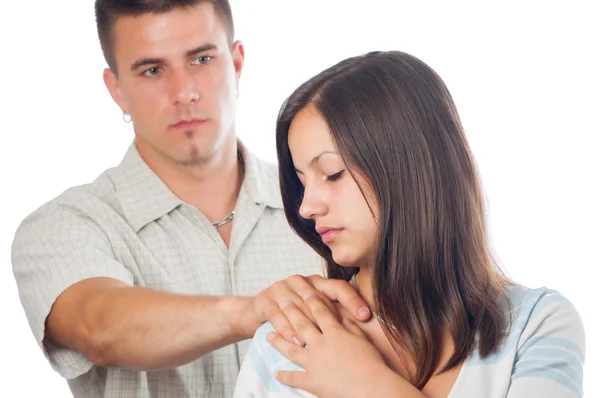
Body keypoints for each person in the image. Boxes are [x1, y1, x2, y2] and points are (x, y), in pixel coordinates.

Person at [10, 1, 370, 397]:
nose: (183, 92)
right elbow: (99, 329)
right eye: (152, 70)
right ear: (117, 91)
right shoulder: (63, 226)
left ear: (236, 64)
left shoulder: (332, 206)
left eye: (201, 59)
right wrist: (251, 312)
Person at [234, 50, 586, 397]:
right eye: (301, 182)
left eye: (332, 173)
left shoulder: (536, 326)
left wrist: (368, 385)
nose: (306, 206)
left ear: (409, 168)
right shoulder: (286, 344)